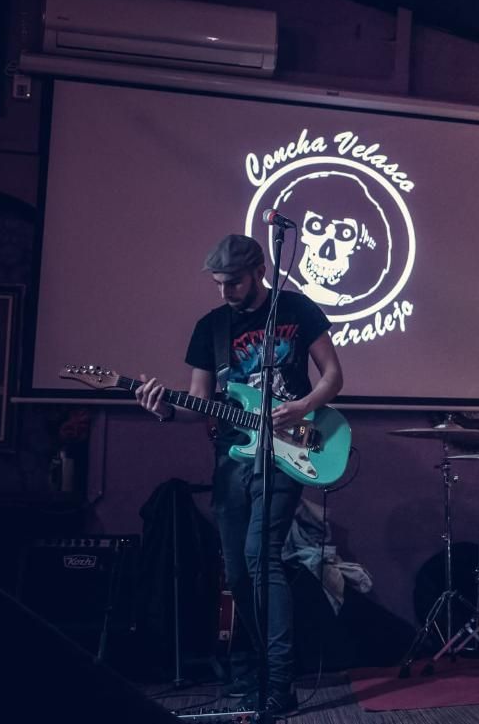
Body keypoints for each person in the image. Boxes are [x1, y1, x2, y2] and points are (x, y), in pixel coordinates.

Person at [135, 234, 343, 716]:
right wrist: (165, 408)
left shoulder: (297, 309)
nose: (225, 291)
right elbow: (198, 402)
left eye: (233, 282)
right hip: (232, 456)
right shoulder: (210, 328)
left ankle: (279, 682)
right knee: (238, 570)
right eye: (219, 283)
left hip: (288, 452)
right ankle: (261, 668)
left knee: (260, 555)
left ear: (258, 271)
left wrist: (302, 406)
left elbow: (333, 375)